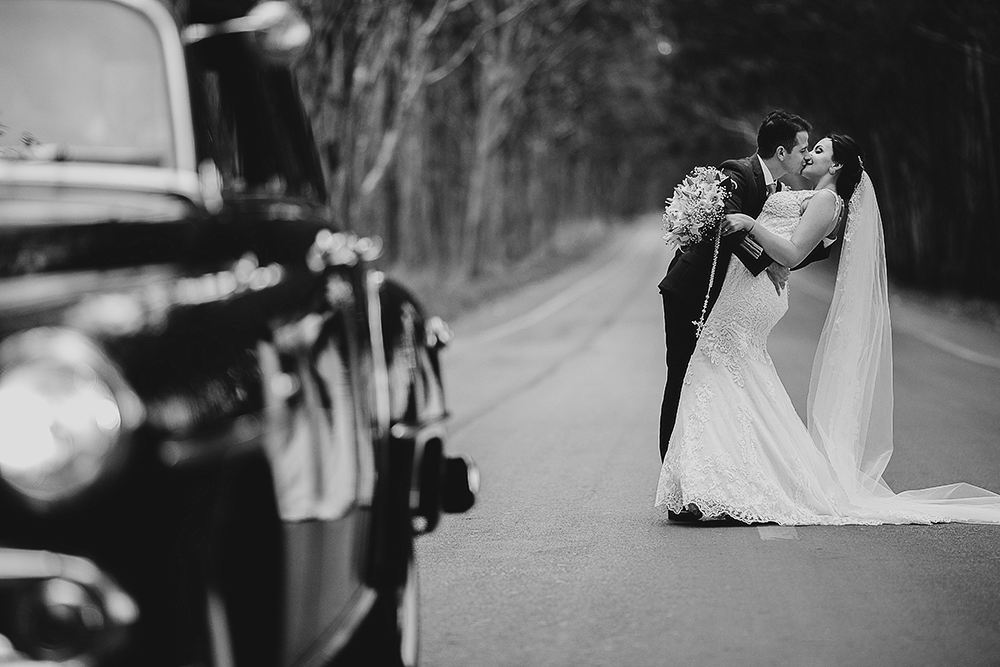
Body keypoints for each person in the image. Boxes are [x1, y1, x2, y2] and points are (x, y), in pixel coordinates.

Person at [654, 133, 1000, 525]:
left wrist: (752, 225)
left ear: (835, 165)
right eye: (808, 148)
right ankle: (712, 483)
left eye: (818, 151)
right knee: (732, 374)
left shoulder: (826, 200)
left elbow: (792, 253)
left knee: (714, 365)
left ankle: (714, 487)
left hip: (752, 295)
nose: (809, 155)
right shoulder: (806, 195)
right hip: (745, 286)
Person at [657, 110, 831, 477]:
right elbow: (728, 226)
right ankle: (672, 476)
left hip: (723, 298)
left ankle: (701, 474)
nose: (806, 156)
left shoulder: (780, 190)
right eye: (802, 149)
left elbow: (787, 242)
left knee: (707, 383)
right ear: (782, 152)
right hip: (691, 289)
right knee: (683, 377)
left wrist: (815, 244)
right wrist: (769, 263)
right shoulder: (738, 172)